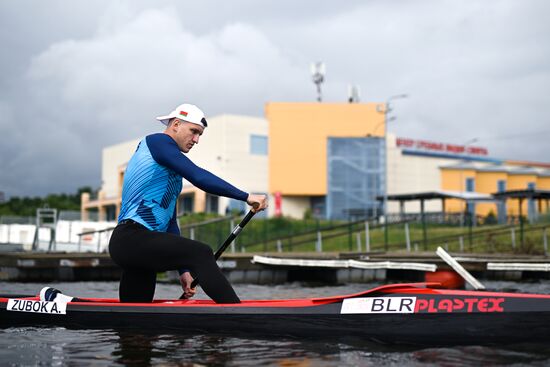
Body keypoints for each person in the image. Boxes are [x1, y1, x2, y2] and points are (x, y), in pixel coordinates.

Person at [107, 103, 267, 304]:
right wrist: (245, 196)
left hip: (139, 248)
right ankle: (239, 314)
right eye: (194, 132)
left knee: (135, 318)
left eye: (200, 135)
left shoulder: (170, 175)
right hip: (131, 238)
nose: (196, 140)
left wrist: (183, 271)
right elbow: (198, 176)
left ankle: (132, 329)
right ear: (175, 124)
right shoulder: (157, 142)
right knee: (201, 252)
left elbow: (170, 222)